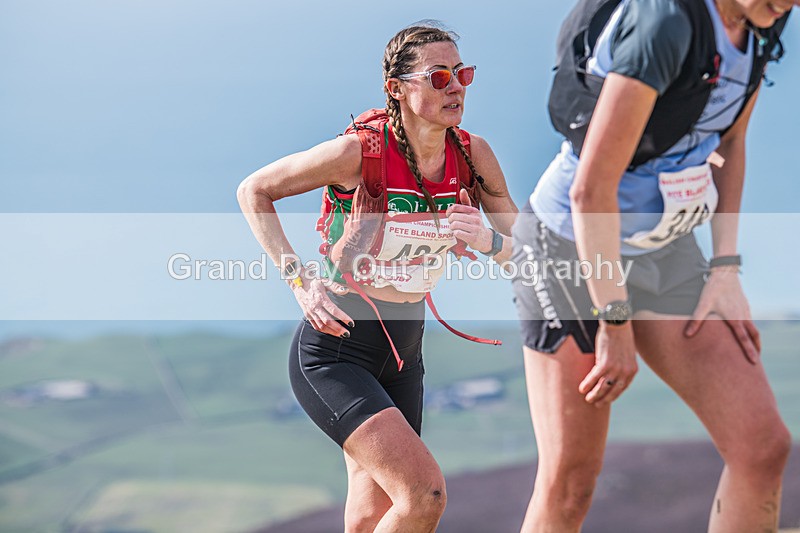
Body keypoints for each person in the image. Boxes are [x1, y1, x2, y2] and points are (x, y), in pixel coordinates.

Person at [511, 0, 794, 530]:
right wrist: (613, 319)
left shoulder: (763, 18)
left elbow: (730, 140)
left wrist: (726, 268)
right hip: (570, 250)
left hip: (665, 247)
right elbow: (590, 188)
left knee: (762, 447)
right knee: (570, 481)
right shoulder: (666, 25)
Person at [238, 22, 517, 532]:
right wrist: (299, 281)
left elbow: (525, 252)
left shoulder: (473, 156)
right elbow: (254, 191)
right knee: (423, 494)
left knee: (374, 517)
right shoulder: (359, 153)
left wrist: (489, 239)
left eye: (463, 74)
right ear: (397, 90)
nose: (455, 86)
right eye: (438, 77)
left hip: (404, 351)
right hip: (336, 350)